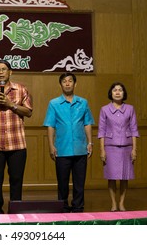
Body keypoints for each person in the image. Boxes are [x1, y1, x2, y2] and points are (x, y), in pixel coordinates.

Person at [0, 60, 33, 214]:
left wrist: (10, 104)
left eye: (4, 69)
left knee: (16, 180)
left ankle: (16, 208)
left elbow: (28, 112)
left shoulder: (21, 89)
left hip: (17, 144)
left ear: (10, 72)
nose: (1, 72)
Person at [43, 72, 94, 213]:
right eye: (64, 81)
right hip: (62, 148)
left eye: (70, 81)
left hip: (80, 148)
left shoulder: (83, 102)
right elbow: (50, 125)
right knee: (62, 183)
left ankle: (78, 207)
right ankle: (63, 207)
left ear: (75, 84)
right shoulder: (53, 103)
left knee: (79, 182)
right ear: (60, 84)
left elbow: (87, 123)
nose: (67, 83)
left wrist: (90, 143)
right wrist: (51, 145)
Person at [98, 82, 139, 212]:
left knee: (124, 177)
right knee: (111, 177)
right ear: (111, 93)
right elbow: (101, 130)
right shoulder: (104, 109)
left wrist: (134, 149)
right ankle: (113, 203)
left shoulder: (130, 109)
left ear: (124, 93)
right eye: (114, 90)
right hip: (110, 147)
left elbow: (134, 129)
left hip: (127, 147)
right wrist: (102, 150)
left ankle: (121, 203)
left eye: (120, 90)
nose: (117, 92)